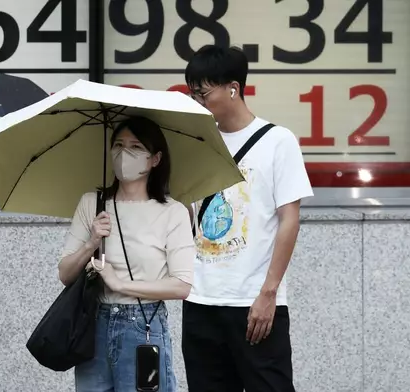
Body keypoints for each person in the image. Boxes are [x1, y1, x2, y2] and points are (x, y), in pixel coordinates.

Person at [181, 45, 313, 392]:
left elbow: (289, 219)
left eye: (203, 93)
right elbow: (190, 217)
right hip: (200, 302)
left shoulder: (278, 141)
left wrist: (268, 294)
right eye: (192, 93)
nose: (197, 101)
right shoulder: (196, 142)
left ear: (233, 88)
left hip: (253, 303)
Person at [58, 116, 195, 392]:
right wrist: (91, 242)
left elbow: (181, 285)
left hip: (143, 325)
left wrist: (121, 284)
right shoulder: (92, 203)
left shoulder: (173, 212)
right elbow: (65, 274)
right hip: (94, 324)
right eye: (118, 145)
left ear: (155, 159)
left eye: (135, 147)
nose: (124, 153)